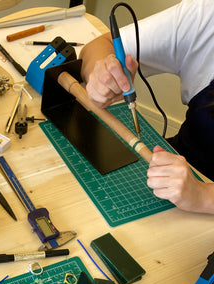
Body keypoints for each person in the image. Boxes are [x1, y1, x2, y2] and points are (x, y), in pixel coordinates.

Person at [79, 0, 214, 214]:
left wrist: (204, 196)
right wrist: (102, 73)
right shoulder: (206, 15)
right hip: (175, 173)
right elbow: (96, 47)